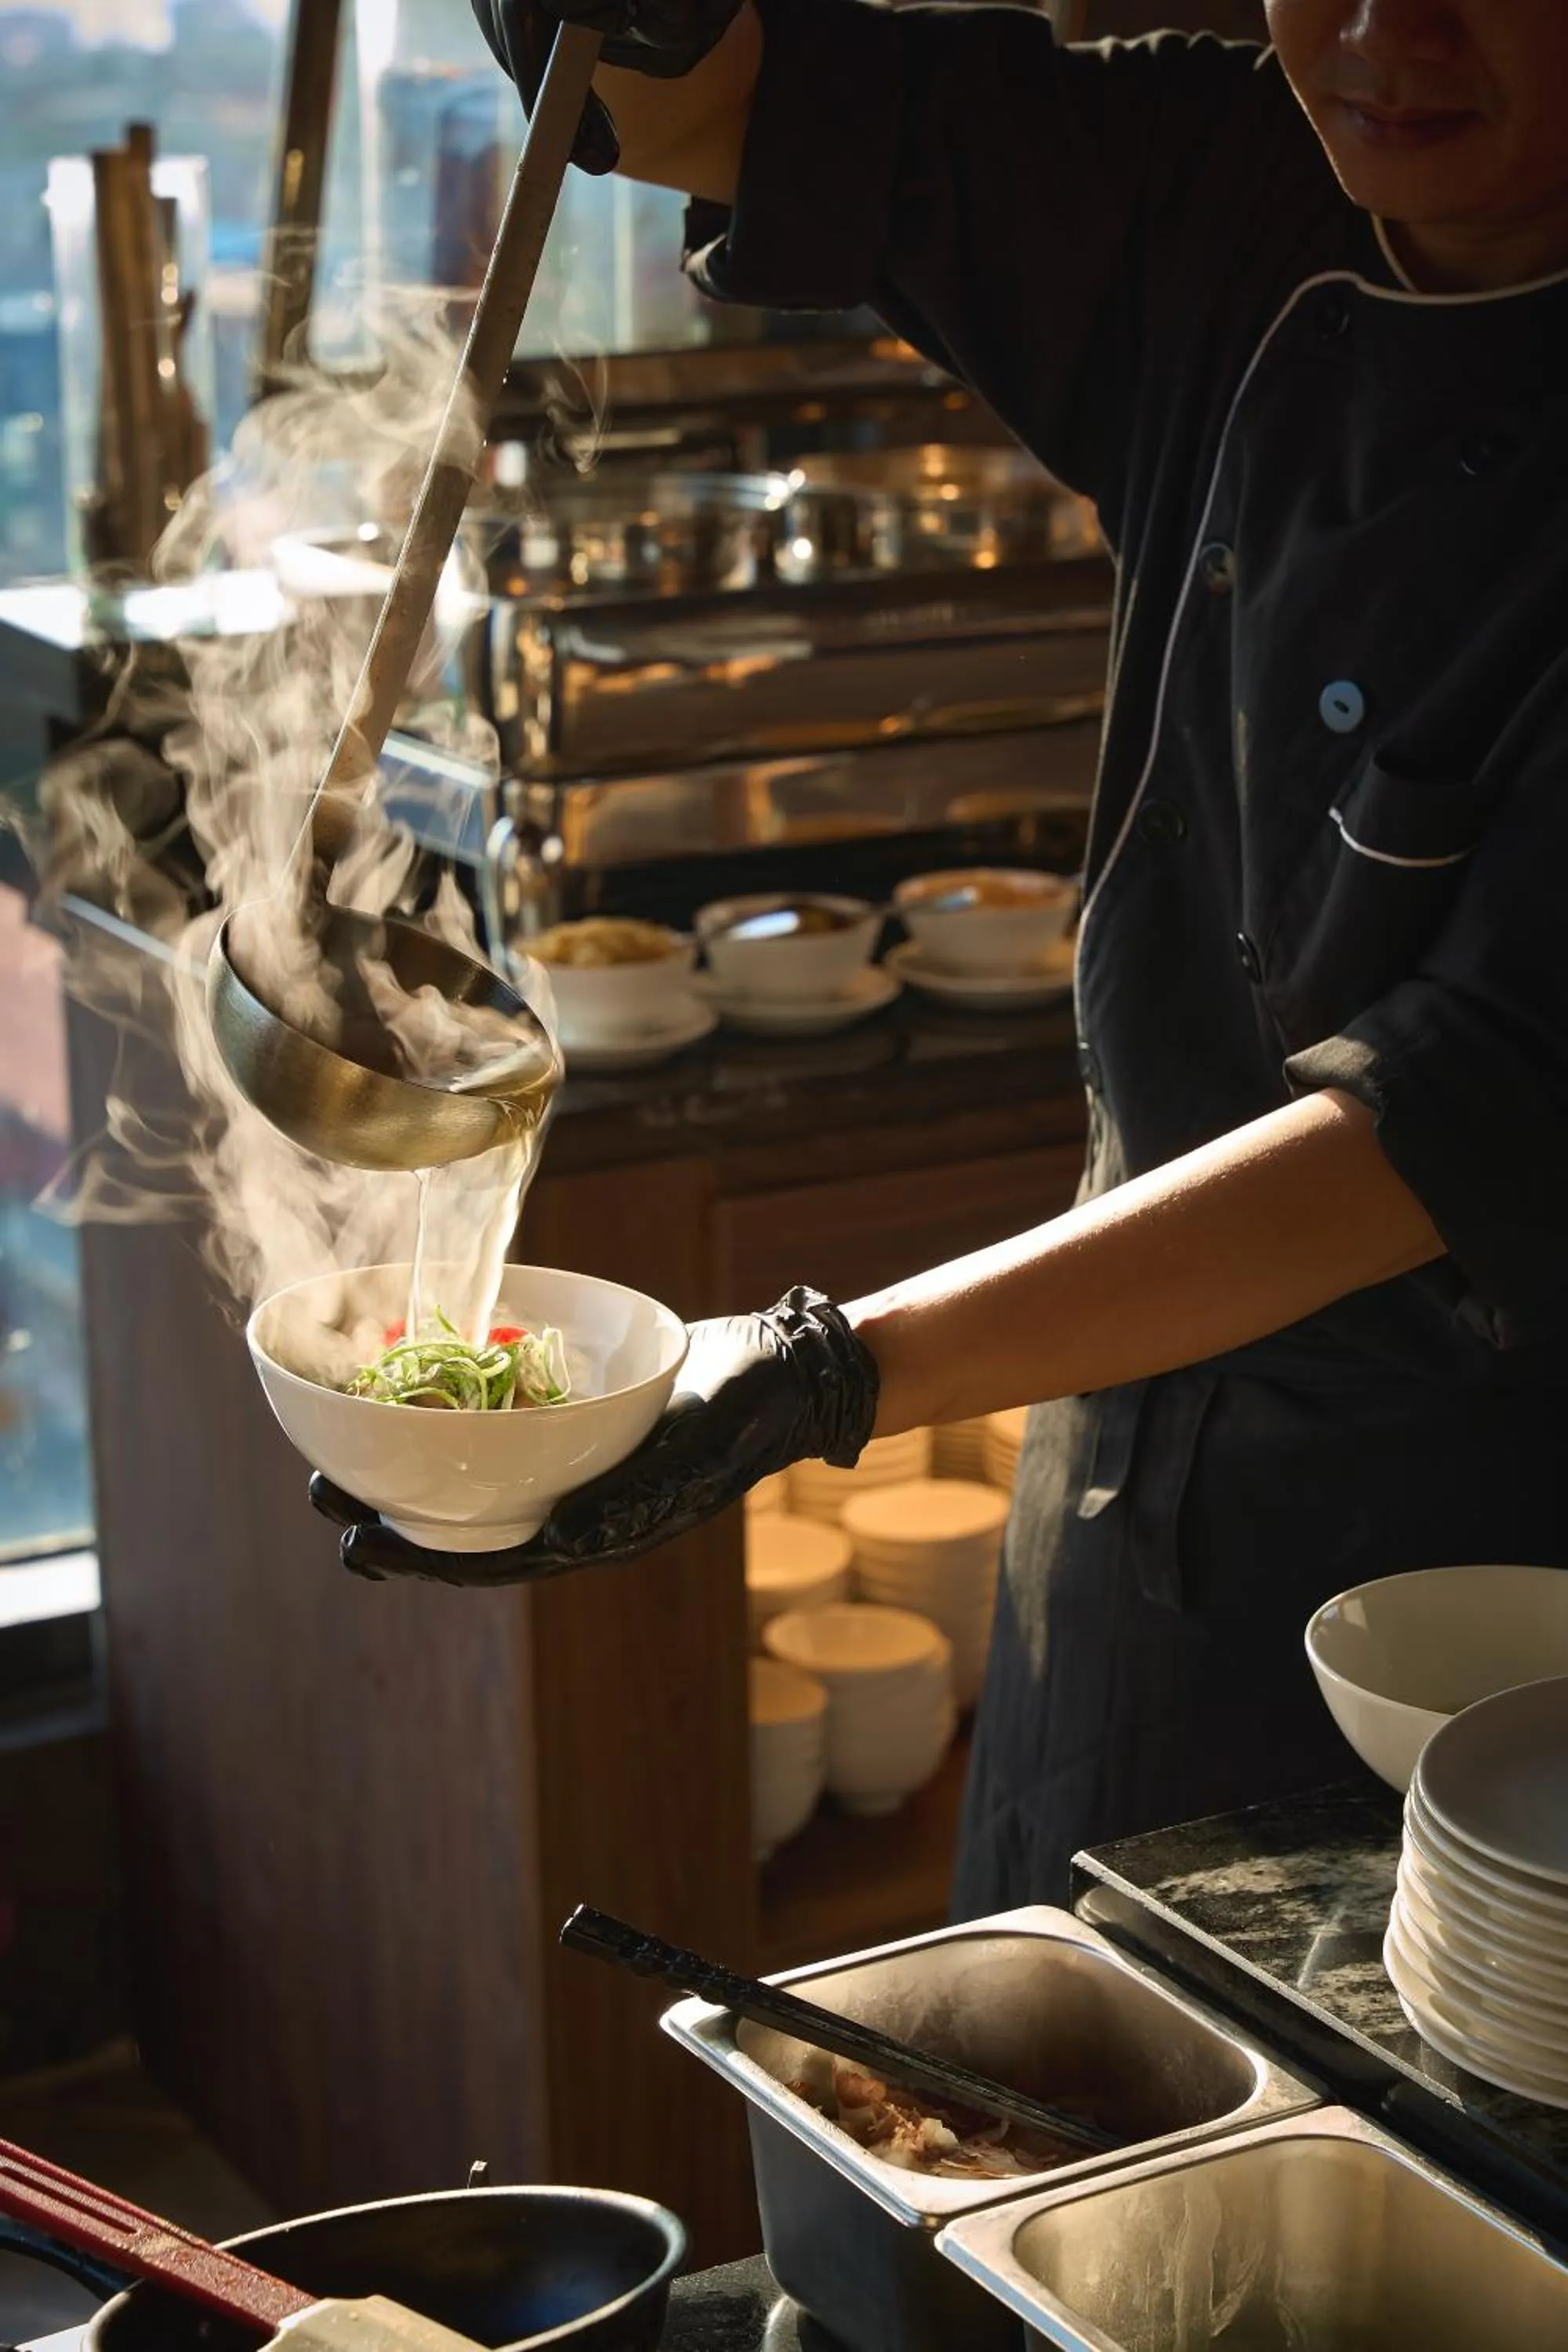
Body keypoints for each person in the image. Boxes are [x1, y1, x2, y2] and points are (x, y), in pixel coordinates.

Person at [314, 1, 1568, 1913]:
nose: (1388, 32)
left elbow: (1455, 1114)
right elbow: (717, 101)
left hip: (1495, 1605)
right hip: (1124, 1513)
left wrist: (831, 1371)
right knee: (1049, 2126)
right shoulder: (1229, 184)